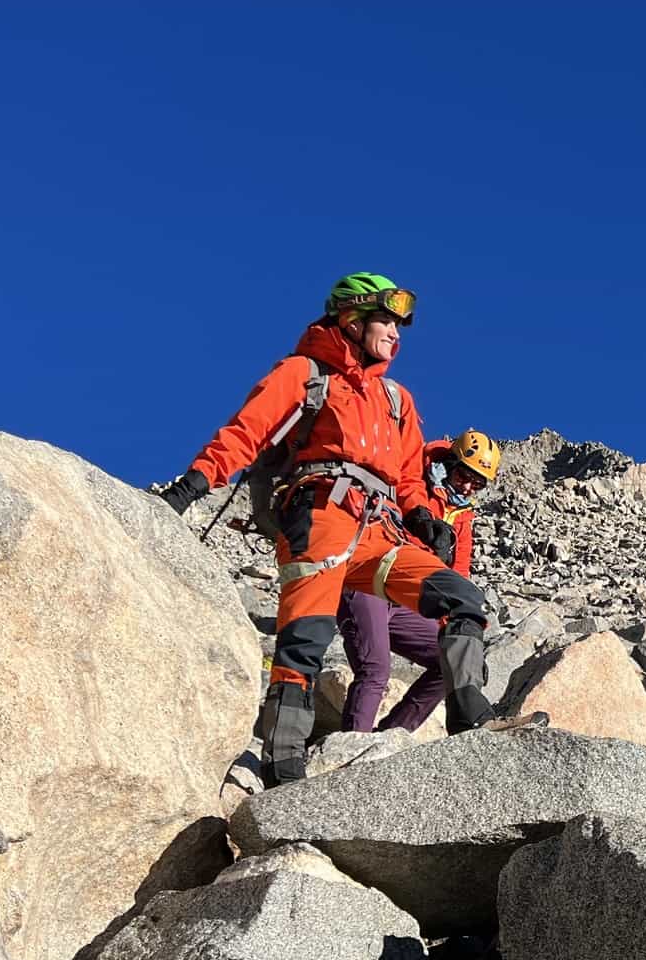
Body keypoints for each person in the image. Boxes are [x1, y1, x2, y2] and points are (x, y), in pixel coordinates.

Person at [153, 273, 528, 785]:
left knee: (462, 597)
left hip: (379, 531)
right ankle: (283, 765)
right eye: (387, 322)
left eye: (401, 326)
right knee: (305, 641)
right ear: (352, 319)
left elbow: (409, 474)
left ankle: (468, 719)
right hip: (319, 517)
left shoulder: (395, 401)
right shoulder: (304, 374)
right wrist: (192, 486)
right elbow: (246, 432)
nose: (397, 335)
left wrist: (419, 512)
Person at [336, 430, 501, 734]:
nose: (467, 486)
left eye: (477, 483)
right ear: (451, 462)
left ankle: (388, 741)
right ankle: (349, 752)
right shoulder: (415, 475)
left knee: (449, 664)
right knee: (375, 669)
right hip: (368, 581)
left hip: (407, 601)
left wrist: (464, 648)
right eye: (464, 474)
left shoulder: (463, 517)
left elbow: (458, 577)